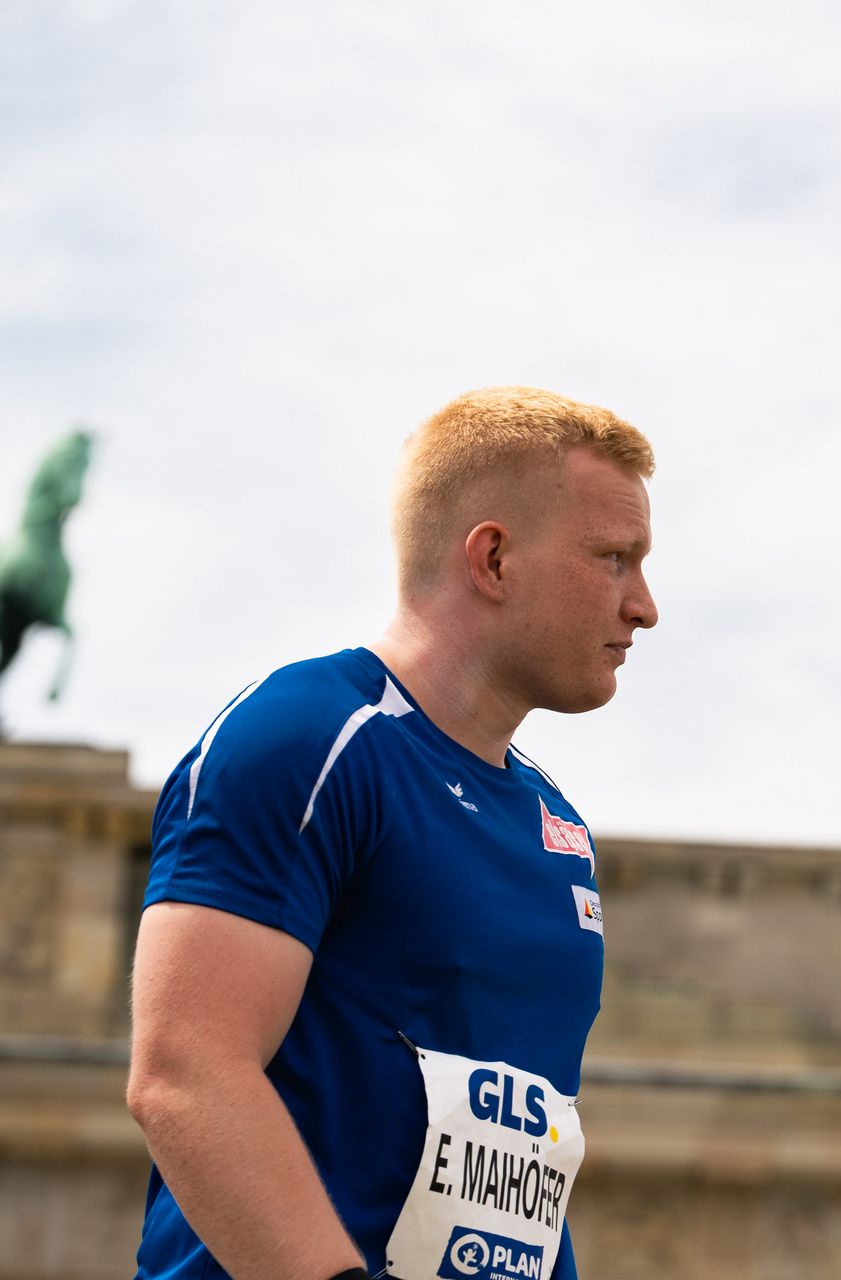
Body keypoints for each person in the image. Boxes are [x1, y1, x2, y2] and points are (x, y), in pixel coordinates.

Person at [125, 387, 658, 1280]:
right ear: (492, 558)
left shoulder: (558, 825)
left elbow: (516, 1171)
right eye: (613, 558)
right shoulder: (303, 739)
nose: (644, 606)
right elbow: (185, 1073)